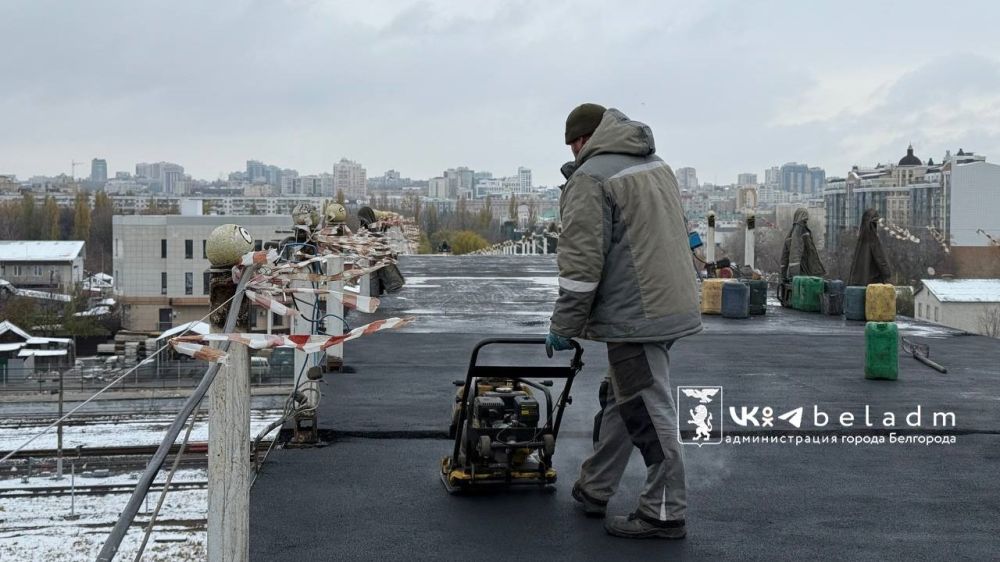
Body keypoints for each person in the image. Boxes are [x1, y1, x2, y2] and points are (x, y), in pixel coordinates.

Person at [546, 103, 702, 539]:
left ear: (581, 140)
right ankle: (596, 487)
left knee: (649, 410)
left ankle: (664, 513)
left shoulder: (590, 178)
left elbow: (580, 265)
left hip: (639, 314)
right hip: (670, 301)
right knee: (622, 395)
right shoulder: (655, 164)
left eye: (574, 145)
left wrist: (564, 324)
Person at [848, 208, 892, 285]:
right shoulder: (872, 238)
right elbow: (881, 259)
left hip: (858, 282)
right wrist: (887, 274)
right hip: (872, 284)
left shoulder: (861, 238)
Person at [780, 207, 826, 281]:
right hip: (804, 274)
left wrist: (783, 275)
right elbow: (794, 254)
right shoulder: (799, 232)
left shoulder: (791, 234)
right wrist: (795, 276)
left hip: (805, 273)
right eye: (804, 220)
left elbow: (784, 258)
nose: (805, 222)